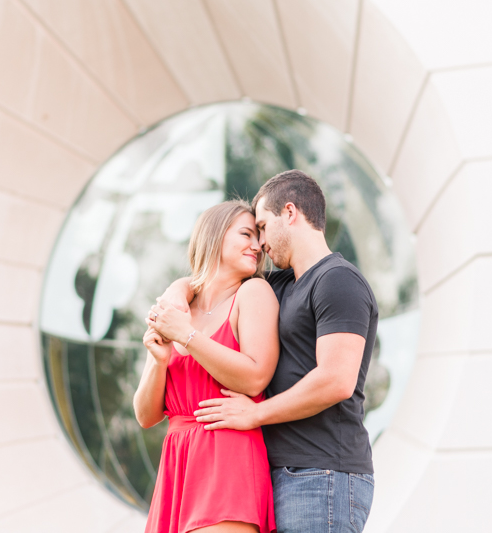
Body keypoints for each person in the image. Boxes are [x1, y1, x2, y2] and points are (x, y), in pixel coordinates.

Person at [150, 170, 377, 533]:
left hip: (323, 473)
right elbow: (210, 281)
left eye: (262, 226)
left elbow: (336, 380)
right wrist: (178, 292)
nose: (259, 243)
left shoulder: (338, 280)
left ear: (289, 213)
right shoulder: (280, 284)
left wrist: (255, 415)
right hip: (282, 473)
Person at [133, 200, 280, 533]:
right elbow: (145, 416)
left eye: (258, 236)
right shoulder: (178, 309)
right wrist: (158, 362)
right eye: (246, 234)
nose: (257, 245)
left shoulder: (253, 292)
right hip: (177, 465)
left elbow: (255, 377)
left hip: (227, 456)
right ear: (213, 236)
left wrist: (185, 336)